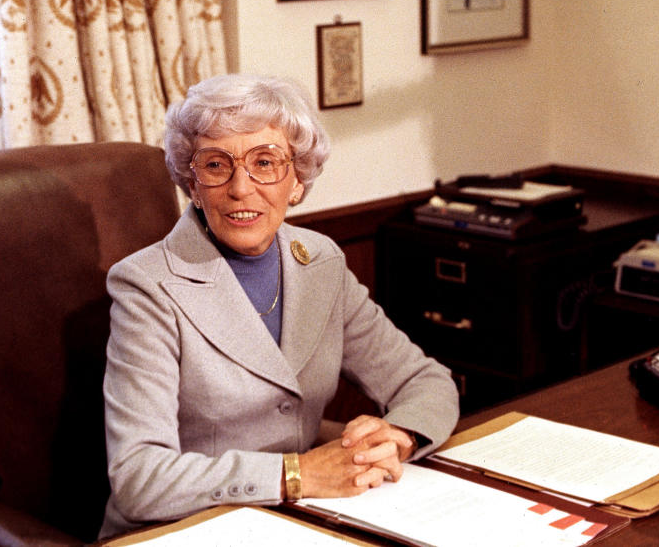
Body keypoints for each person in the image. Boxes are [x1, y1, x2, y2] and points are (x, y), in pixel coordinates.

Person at [99, 74, 459, 539]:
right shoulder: (148, 286)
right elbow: (139, 479)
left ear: (297, 181)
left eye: (265, 162)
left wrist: (399, 437)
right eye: (215, 165)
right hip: (183, 530)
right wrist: (298, 475)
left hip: (295, 521)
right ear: (192, 183)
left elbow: (425, 381)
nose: (241, 188)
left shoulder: (321, 262)